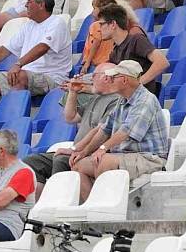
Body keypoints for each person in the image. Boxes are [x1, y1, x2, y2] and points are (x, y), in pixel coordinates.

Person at [72, 61, 169, 201]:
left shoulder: (146, 100)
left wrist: (103, 148)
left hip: (149, 158)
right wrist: (84, 152)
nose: (109, 80)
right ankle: (93, 209)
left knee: (103, 161)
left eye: (113, 77)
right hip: (125, 156)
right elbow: (105, 130)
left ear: (124, 80)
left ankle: (105, 206)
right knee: (78, 166)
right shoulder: (122, 101)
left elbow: (126, 132)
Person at [23, 62, 120, 196]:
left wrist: (74, 149)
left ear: (106, 78)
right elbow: (70, 117)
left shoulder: (116, 101)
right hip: (76, 150)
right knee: (31, 162)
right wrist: (73, 92)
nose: (91, 79)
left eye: (95, 76)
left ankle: (58, 202)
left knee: (61, 160)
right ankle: (38, 205)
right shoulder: (95, 98)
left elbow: (100, 130)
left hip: (89, 152)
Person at [0, 0, 72, 104]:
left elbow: (43, 47)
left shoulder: (57, 23)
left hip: (52, 78)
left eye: (29, 2)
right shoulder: (29, 25)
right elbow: (6, 49)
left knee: (18, 76)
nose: (26, 5)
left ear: (41, 5)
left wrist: (18, 64)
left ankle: (13, 119)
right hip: (27, 76)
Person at [97, 3, 169, 95]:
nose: (99, 29)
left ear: (113, 24)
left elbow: (162, 62)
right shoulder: (115, 52)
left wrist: (137, 84)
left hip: (142, 98)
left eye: (101, 24)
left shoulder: (136, 40)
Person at [74, 0, 122, 74]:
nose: (92, 12)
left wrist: (87, 62)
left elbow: (95, 44)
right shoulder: (114, 25)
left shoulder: (96, 25)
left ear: (102, 10)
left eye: (94, 8)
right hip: (109, 63)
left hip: (96, 63)